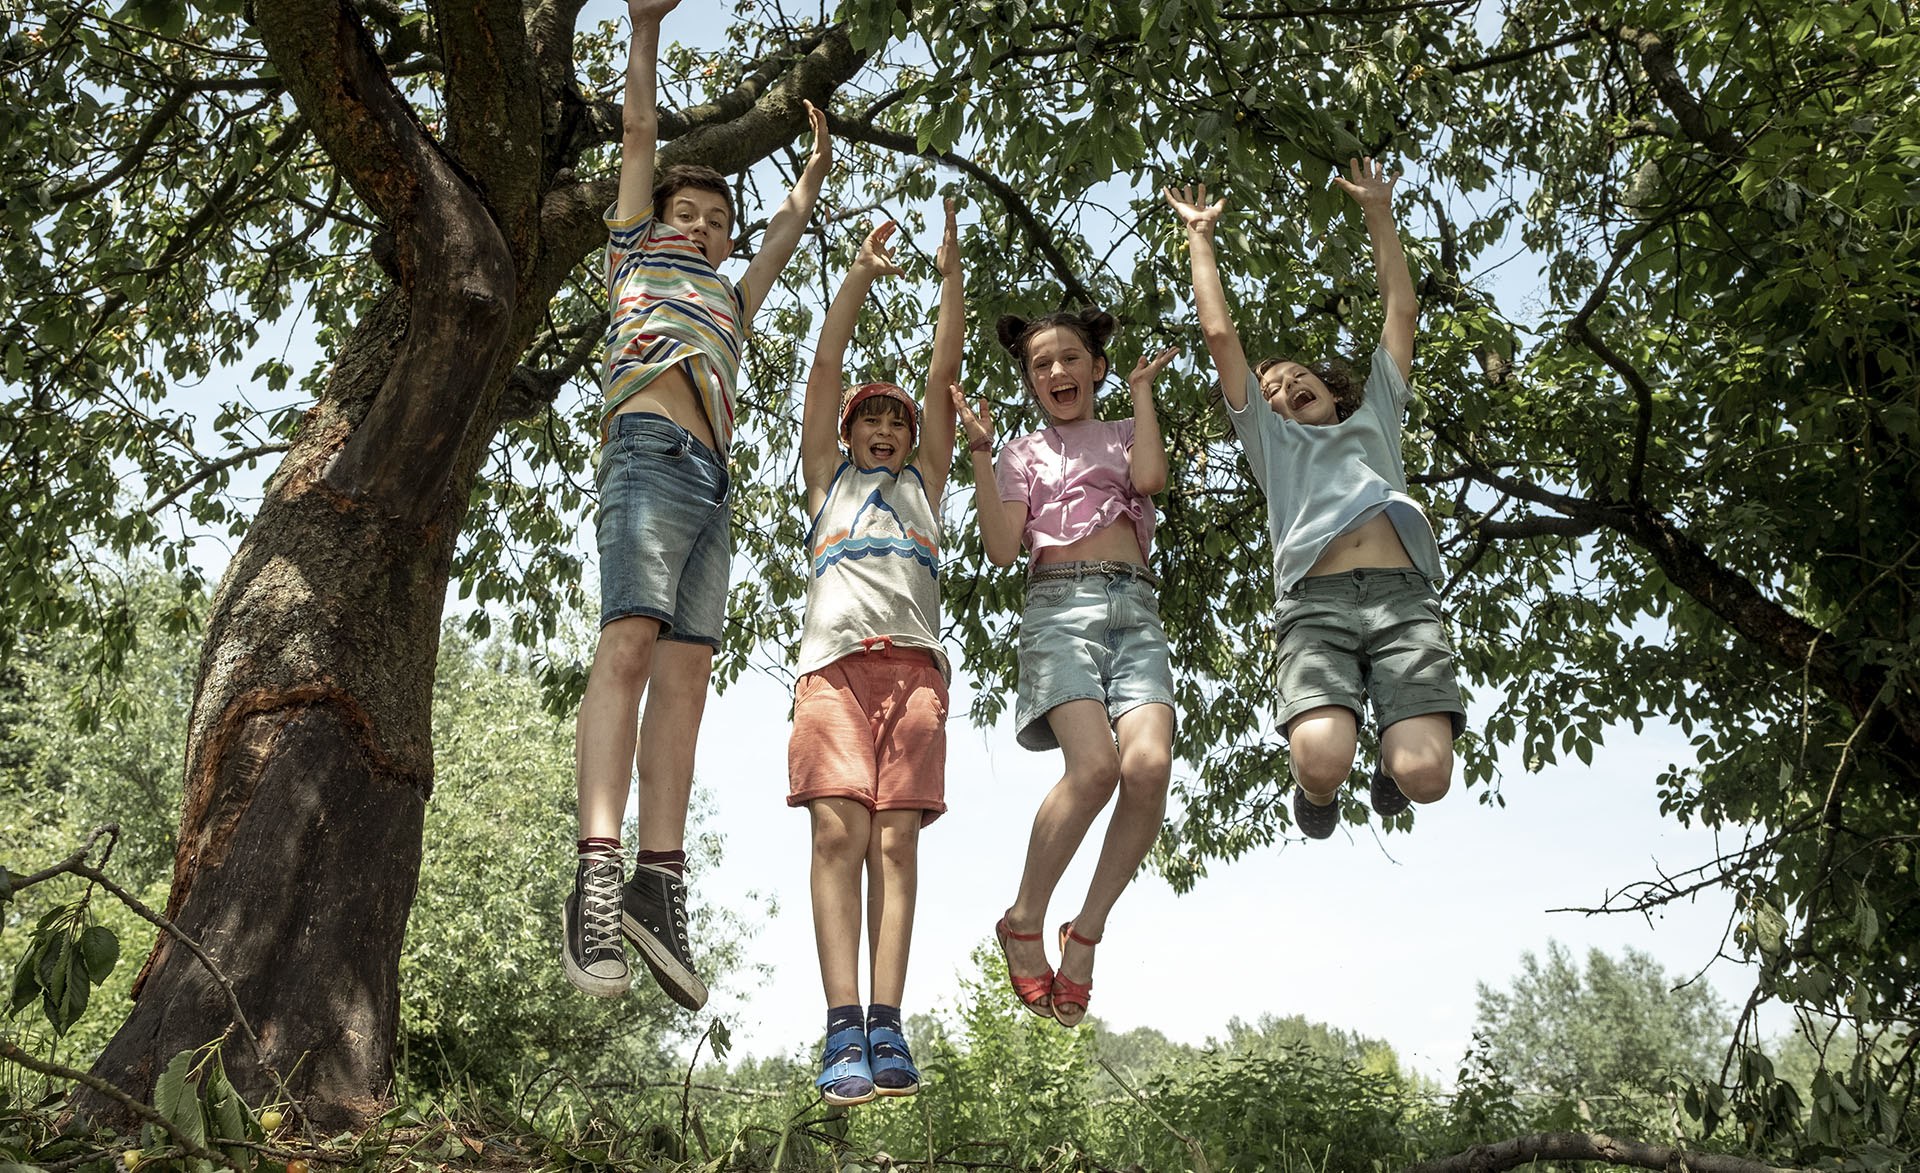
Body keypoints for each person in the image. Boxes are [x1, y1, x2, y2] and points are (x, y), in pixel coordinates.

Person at [564, 0, 831, 1004]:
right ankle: (596, 865)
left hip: (713, 480)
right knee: (628, 644)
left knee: (687, 680)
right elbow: (640, 132)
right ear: (658, 217)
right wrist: (643, 28)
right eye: (693, 213)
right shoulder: (633, 254)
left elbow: (785, 238)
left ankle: (657, 883)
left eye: (721, 221)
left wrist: (809, 182)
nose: (710, 227)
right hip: (644, 452)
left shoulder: (729, 298)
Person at [1164, 159, 1465, 842]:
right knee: (1323, 760)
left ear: (1333, 391)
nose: (1286, 384)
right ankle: (1320, 786)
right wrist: (1200, 238)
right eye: (1271, 387)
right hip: (1316, 607)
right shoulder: (1273, 445)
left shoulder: (1376, 418)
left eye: (1299, 377)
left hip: (1403, 601)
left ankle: (1392, 755)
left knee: (1428, 777)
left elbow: (1403, 309)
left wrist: (1378, 211)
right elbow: (1220, 338)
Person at [953, 310, 1179, 1027]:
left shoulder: (1120, 432)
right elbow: (998, 547)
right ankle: (1025, 917)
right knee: (1096, 769)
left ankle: (1084, 934)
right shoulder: (1022, 452)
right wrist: (982, 455)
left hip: (1135, 609)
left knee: (1148, 766)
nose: (1057, 372)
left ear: (1096, 368)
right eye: (1041, 364)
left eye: (1071, 358)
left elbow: (1150, 476)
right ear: (1030, 382)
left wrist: (1143, 393)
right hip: (1059, 609)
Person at [789, 203, 962, 1104]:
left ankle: (887, 1025)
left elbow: (943, 376)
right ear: (850, 435)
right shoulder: (829, 484)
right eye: (872, 419)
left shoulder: (926, 489)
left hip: (914, 676)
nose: (888, 428)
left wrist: (950, 279)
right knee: (836, 833)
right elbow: (824, 370)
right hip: (834, 675)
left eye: (897, 421)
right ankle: (839, 1025)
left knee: (895, 843)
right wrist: (856, 277)